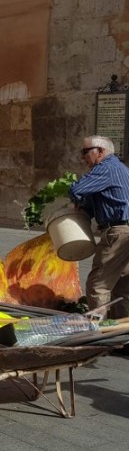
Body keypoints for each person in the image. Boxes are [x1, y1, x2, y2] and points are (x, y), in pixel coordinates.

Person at [68, 135, 129, 319]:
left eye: (85, 152)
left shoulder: (105, 167)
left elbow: (76, 189)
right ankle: (122, 338)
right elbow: (105, 202)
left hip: (117, 234)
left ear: (100, 151)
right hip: (126, 233)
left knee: (97, 285)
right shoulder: (121, 168)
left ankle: (97, 336)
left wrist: (77, 201)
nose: (83, 157)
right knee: (122, 287)